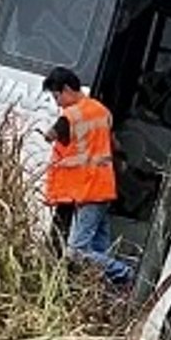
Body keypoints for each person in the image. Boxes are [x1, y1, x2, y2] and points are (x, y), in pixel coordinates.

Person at [41, 66, 134, 286]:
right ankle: (107, 291)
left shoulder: (70, 116)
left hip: (87, 190)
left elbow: (49, 136)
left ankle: (126, 274)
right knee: (99, 249)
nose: (58, 103)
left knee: (76, 251)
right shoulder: (103, 111)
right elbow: (114, 144)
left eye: (57, 97)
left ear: (66, 90)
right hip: (104, 188)